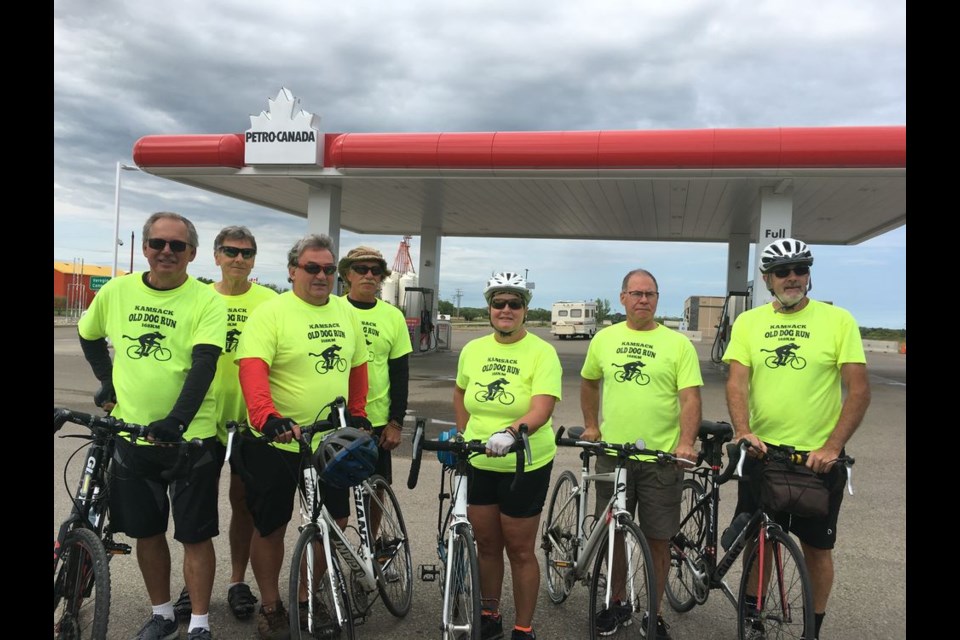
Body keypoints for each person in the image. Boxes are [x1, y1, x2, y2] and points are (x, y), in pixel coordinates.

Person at [78, 211, 226, 640]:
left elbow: (204, 364)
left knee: (195, 534)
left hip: (190, 440)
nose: (166, 252)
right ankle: (162, 614)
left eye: (177, 246)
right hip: (131, 434)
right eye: (158, 243)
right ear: (144, 248)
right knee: (147, 531)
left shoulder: (206, 300)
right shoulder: (119, 291)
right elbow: (89, 334)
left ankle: (198, 621)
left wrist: (177, 421)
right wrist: (107, 380)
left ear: (192, 254)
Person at [722, 238, 871, 640]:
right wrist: (742, 430)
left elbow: (858, 390)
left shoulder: (837, 321)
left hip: (816, 460)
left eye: (800, 269)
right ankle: (753, 614)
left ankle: (813, 628)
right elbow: (737, 381)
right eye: (783, 272)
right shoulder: (750, 323)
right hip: (762, 451)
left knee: (818, 549)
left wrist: (833, 447)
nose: (793, 278)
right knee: (759, 541)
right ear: (768, 279)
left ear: (808, 274)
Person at [235, 233, 370, 640]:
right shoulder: (272, 313)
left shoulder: (346, 313)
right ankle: (272, 605)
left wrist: (359, 413)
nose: (322, 275)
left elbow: (358, 368)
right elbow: (252, 368)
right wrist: (266, 416)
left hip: (330, 440)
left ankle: (306, 596)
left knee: (335, 519)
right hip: (277, 439)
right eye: (312, 268)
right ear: (293, 270)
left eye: (329, 269)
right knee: (270, 526)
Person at [580, 268, 702, 640]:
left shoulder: (678, 344)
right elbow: (588, 381)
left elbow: (690, 398)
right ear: (622, 298)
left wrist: (686, 442)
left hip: (661, 460)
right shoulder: (604, 338)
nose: (643, 300)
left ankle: (654, 611)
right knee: (614, 533)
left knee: (658, 538)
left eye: (649, 294)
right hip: (613, 455)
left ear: (657, 298)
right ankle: (617, 602)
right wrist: (591, 426)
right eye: (636, 293)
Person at [172, 226, 277, 623]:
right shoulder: (198, 298)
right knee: (194, 509)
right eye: (230, 251)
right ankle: (192, 586)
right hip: (202, 420)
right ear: (215, 256)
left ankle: (236, 581)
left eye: (247, 253)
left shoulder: (269, 301)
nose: (238, 259)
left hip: (249, 422)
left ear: (254, 260)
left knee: (243, 504)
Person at [453, 272, 562, 640]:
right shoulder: (473, 349)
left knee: (518, 549)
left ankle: (523, 627)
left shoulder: (542, 352)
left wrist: (511, 432)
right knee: (487, 545)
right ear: (489, 309)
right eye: (499, 303)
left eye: (514, 304)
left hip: (524, 463)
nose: (506, 310)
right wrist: (466, 435)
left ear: (525, 311)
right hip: (479, 460)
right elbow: (461, 393)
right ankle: (489, 613)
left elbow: (542, 408)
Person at [337, 246, 412, 544]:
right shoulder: (332, 308)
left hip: (376, 420)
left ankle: (370, 551)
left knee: (374, 492)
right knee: (334, 496)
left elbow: (400, 373)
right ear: (346, 274)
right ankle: (331, 560)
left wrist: (396, 422)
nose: (369, 275)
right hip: (336, 418)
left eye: (376, 270)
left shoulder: (392, 316)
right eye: (361, 269)